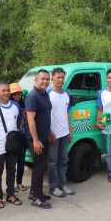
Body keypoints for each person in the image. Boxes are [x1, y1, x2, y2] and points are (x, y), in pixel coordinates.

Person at [0, 81, 23, 208]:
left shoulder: (16, 106)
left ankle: (11, 194)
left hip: (12, 145)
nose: (6, 93)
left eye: (8, 90)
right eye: (3, 90)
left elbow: (18, 122)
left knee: (12, 170)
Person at [25, 69, 55, 209]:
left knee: (41, 165)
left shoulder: (45, 94)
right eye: (42, 79)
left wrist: (50, 132)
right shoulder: (33, 96)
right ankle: (36, 198)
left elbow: (44, 116)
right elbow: (30, 119)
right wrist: (36, 140)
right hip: (35, 138)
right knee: (38, 167)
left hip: (44, 136)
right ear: (36, 80)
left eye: (47, 79)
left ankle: (35, 192)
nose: (45, 81)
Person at [47, 67, 77, 196]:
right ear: (52, 78)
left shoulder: (66, 94)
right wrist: (49, 132)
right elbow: (44, 115)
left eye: (62, 77)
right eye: (58, 77)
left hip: (64, 133)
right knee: (52, 162)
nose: (60, 80)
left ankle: (62, 184)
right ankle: (53, 187)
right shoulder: (47, 94)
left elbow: (67, 113)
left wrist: (70, 130)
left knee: (63, 160)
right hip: (53, 134)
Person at [9, 83, 29, 192]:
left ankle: (19, 183)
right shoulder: (9, 105)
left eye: (19, 94)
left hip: (23, 136)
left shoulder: (24, 104)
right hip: (12, 137)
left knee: (21, 161)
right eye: (15, 94)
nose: (17, 96)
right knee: (11, 163)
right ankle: (11, 185)